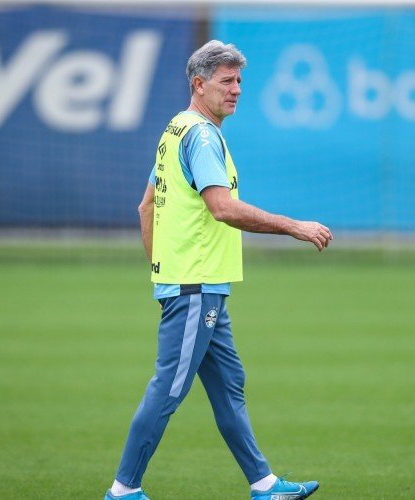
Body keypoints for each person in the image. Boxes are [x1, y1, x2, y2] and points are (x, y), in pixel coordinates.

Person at [104, 40, 332, 500]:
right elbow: (223, 208)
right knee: (168, 388)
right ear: (199, 84)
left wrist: (162, 268)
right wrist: (295, 227)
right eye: (227, 81)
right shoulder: (203, 136)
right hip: (195, 287)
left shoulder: (176, 129)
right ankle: (123, 489)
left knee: (230, 386)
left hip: (198, 286)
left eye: (240, 81)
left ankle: (264, 484)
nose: (237, 90)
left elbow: (146, 206)